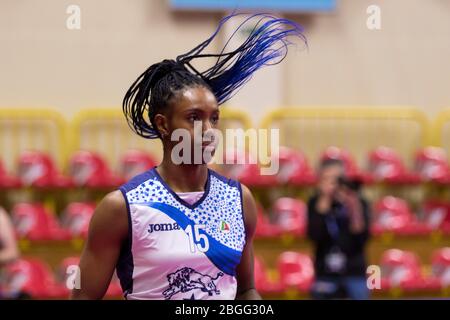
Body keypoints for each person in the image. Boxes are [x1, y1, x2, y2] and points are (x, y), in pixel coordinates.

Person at [71, 13, 306, 300]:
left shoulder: (238, 199)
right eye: (194, 118)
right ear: (163, 124)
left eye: (214, 118)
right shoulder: (122, 208)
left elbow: (246, 290)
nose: (208, 130)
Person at [307, 159, 371, 300]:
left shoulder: (358, 202)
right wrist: (324, 199)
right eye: (327, 179)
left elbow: (362, 237)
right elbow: (314, 235)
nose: (333, 185)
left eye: (337, 180)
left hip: (353, 271)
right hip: (325, 272)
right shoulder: (314, 203)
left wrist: (353, 206)